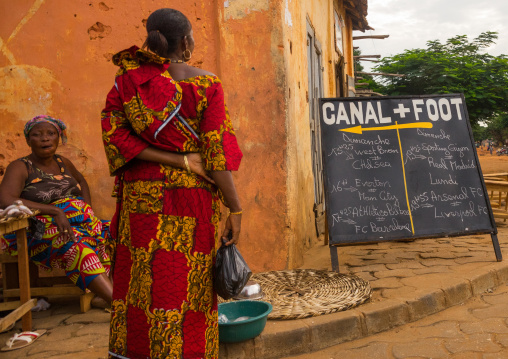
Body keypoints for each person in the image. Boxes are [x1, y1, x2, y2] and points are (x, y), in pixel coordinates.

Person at [101, 8, 243, 359]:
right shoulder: (205, 84)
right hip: (190, 201)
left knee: (141, 285)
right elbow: (216, 155)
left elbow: (116, 137)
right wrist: (235, 207)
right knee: (186, 286)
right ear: (186, 41)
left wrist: (172, 158)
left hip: (140, 200)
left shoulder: (127, 81)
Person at [0, 115, 113, 304]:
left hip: (82, 223)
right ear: (28, 140)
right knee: (78, 248)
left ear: (58, 138)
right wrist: (55, 211)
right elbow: (5, 199)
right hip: (43, 229)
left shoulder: (63, 162)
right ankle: (119, 305)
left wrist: (86, 210)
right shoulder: (20, 167)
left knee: (119, 232)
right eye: (37, 135)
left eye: (51, 134)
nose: (45, 138)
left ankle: (106, 292)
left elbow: (82, 182)